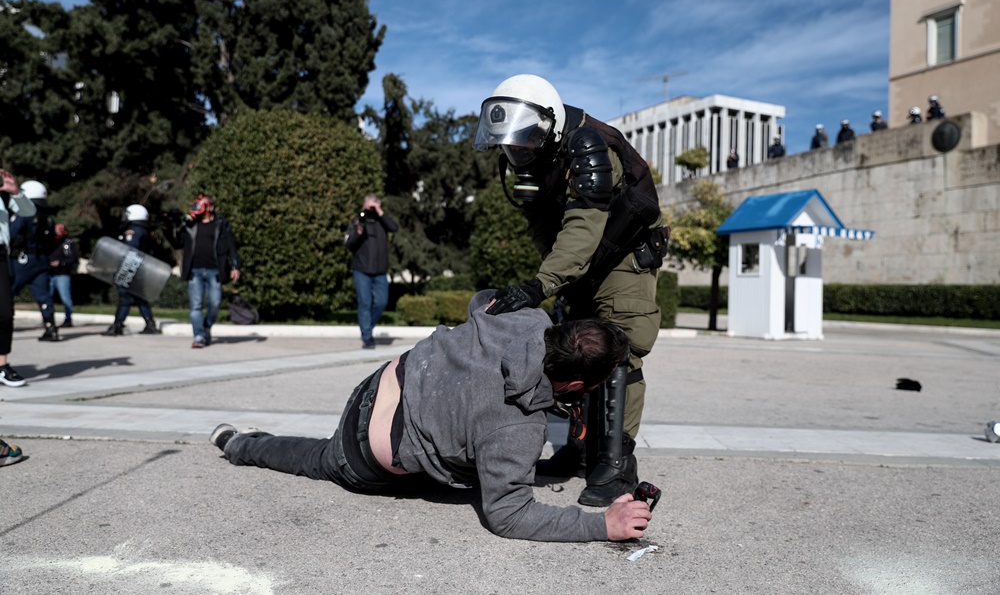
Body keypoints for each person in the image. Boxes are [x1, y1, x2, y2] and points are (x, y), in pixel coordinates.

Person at [210, 290, 653, 542]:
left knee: (471, 453)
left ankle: (237, 440)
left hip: (384, 381)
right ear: (575, 386)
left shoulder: (527, 317)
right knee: (312, 459)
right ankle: (237, 444)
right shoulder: (519, 429)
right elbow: (509, 516)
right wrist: (601, 525)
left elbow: (483, 301)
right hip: (361, 453)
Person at [472, 74, 667, 507]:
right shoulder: (530, 159)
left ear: (547, 127)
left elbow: (584, 225)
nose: (517, 151)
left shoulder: (587, 145)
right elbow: (544, 226)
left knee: (619, 346)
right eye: (511, 144)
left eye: (524, 142)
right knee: (573, 346)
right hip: (586, 254)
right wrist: (556, 280)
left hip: (625, 252)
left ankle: (616, 463)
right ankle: (579, 451)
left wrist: (541, 285)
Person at [173, 194, 241, 348]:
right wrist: (170, 226)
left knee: (215, 303)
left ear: (210, 207)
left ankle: (206, 326)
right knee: (195, 306)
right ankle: (198, 336)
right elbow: (177, 242)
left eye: (201, 205)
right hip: (194, 271)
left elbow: (231, 246)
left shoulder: (221, 224)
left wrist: (235, 266)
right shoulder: (191, 225)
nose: (197, 207)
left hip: (214, 271)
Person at [344, 194, 398, 349]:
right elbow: (348, 244)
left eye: (373, 206)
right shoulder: (357, 221)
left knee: (382, 302)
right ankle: (367, 337)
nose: (369, 210)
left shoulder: (383, 221)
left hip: (380, 271)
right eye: (367, 206)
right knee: (365, 303)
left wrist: (379, 212)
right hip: (362, 270)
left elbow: (394, 228)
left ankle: (367, 327)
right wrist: (358, 232)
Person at [9, 180, 60, 342]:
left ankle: (5, 325)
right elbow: (53, 240)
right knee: (44, 296)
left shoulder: (24, 212)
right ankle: (50, 327)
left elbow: (11, 234)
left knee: (6, 293)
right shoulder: (49, 218)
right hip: (41, 260)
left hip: (22, 260)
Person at [0, 169, 37, 387]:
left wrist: (15, 192)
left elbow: (28, 211)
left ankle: (2, 367)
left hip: (0, 256)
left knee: (4, 313)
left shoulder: (3, 195)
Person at [104, 204, 162, 337]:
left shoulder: (133, 231)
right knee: (140, 297)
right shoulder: (144, 230)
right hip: (140, 269)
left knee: (124, 297)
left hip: (130, 268)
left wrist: (123, 271)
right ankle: (150, 324)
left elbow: (131, 251)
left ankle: (117, 325)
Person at [48, 223, 80, 328]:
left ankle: (68, 319)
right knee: (47, 298)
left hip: (62, 274)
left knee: (66, 298)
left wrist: (61, 263)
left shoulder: (69, 244)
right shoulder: (50, 243)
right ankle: (47, 319)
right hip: (50, 273)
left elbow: (74, 259)